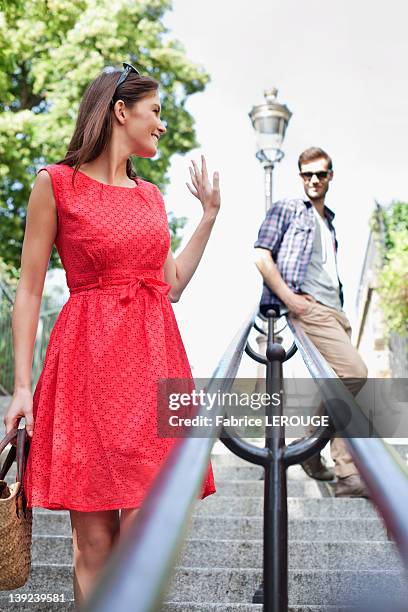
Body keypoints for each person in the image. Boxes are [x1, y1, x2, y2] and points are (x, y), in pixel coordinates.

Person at [3, 62, 218, 606]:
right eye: (156, 112)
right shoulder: (56, 183)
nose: (162, 125)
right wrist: (23, 387)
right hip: (87, 370)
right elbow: (29, 292)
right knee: (94, 541)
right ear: (121, 112)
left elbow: (170, 285)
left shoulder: (150, 198)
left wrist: (208, 217)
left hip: (151, 368)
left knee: (147, 534)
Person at [253, 146, 368, 498]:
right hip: (309, 306)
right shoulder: (289, 209)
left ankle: (341, 471)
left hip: (336, 311)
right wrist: (291, 301)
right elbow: (261, 255)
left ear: (330, 175)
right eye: (307, 174)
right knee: (355, 373)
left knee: (338, 388)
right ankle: (311, 446)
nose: (314, 180)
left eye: (320, 173)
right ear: (300, 177)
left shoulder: (329, 222)